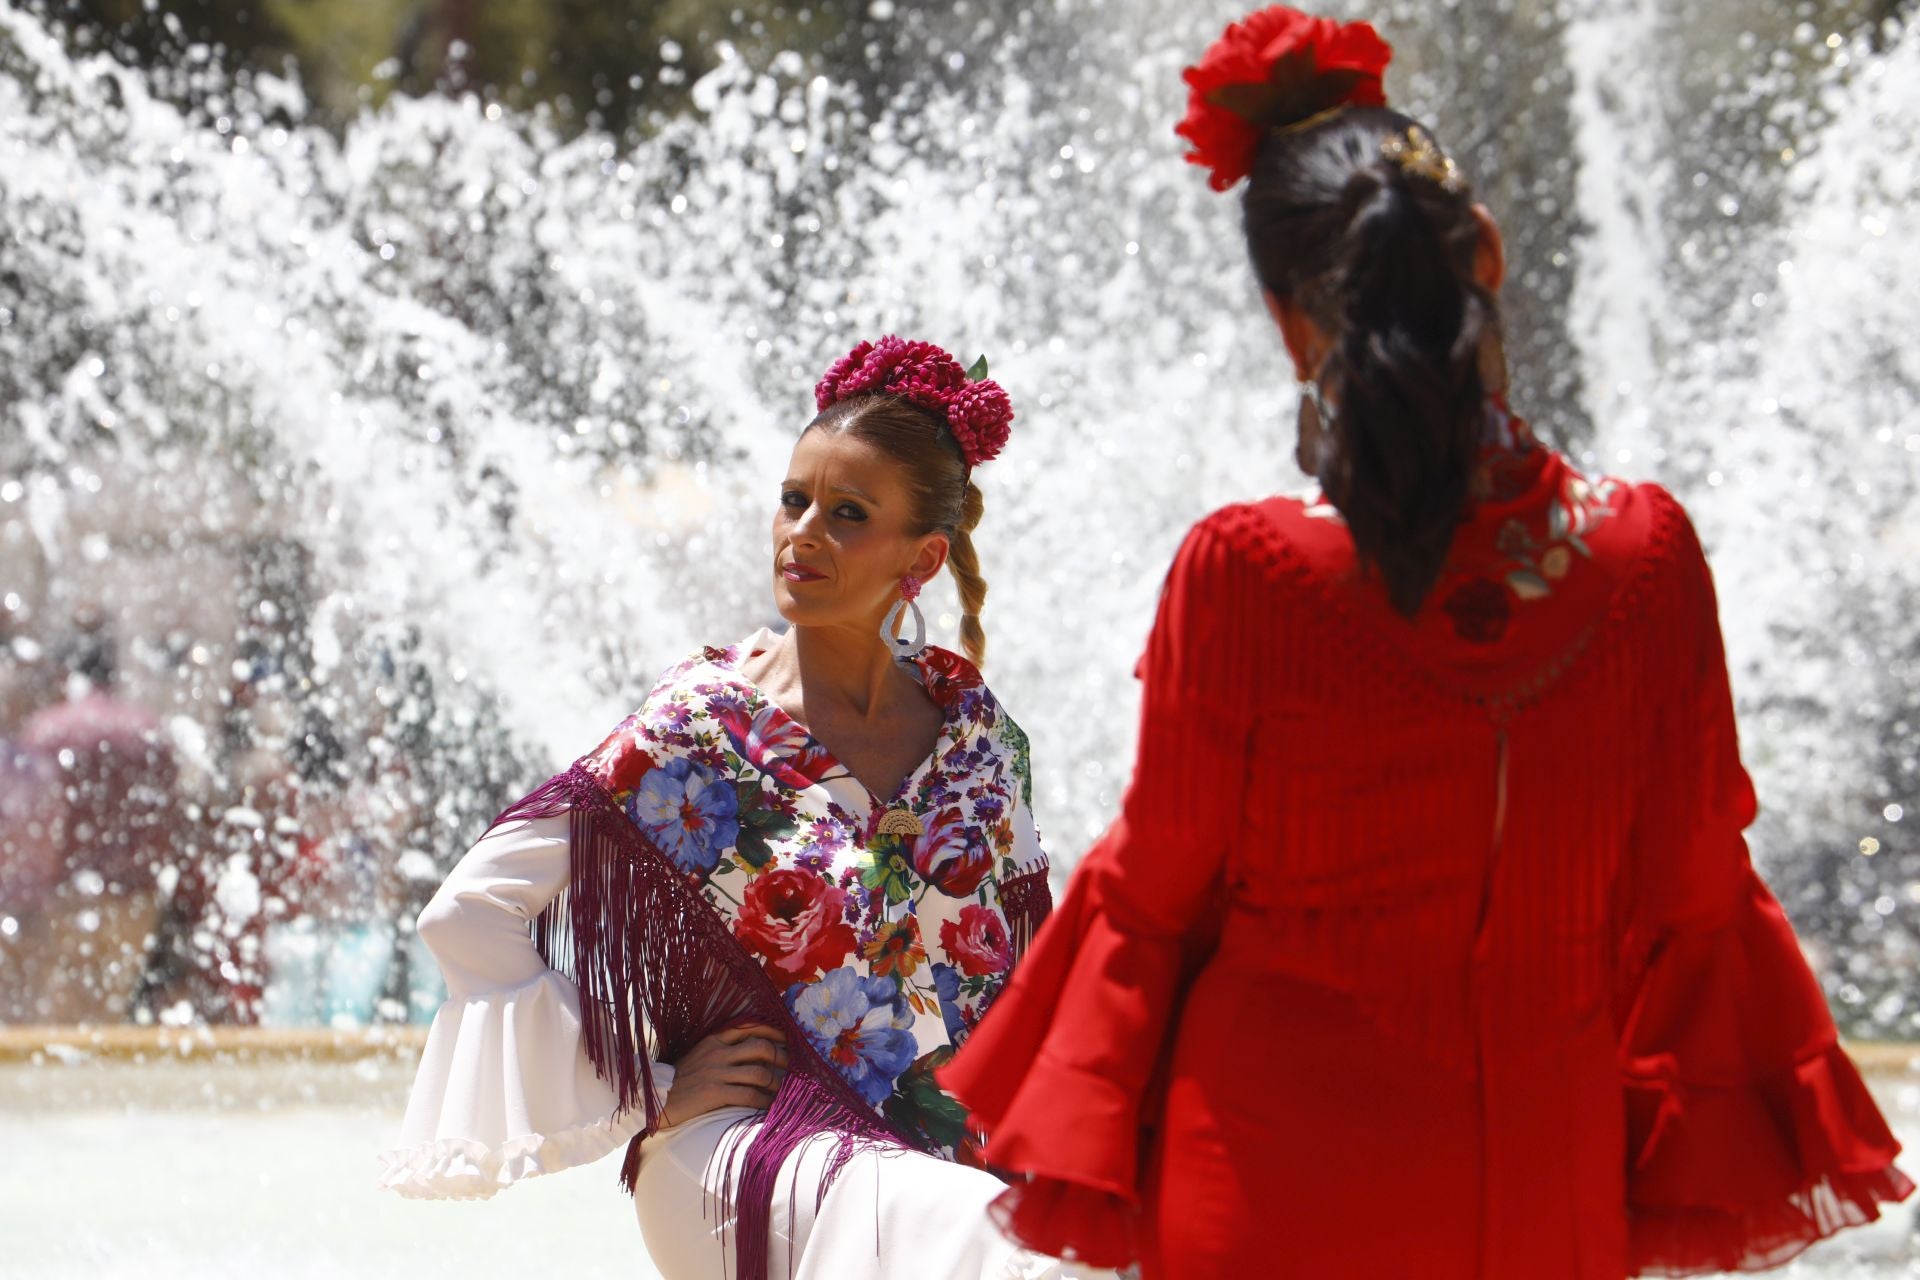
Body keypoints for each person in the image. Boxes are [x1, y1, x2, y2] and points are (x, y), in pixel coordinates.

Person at [940, 8, 1914, 1278]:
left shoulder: (1247, 568)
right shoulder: (1646, 556)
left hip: (1266, 1177)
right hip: (1540, 1187)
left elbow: (1156, 886)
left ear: (1292, 322)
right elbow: (1690, 892)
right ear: (1488, 254)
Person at [381, 337, 1066, 1280]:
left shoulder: (978, 741)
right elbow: (465, 912)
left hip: (932, 1161)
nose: (803, 533)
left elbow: (1038, 978)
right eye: (794, 500)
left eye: (847, 513)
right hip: (745, 1148)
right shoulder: (700, 725)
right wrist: (647, 1090)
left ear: (924, 557)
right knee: (989, 1238)